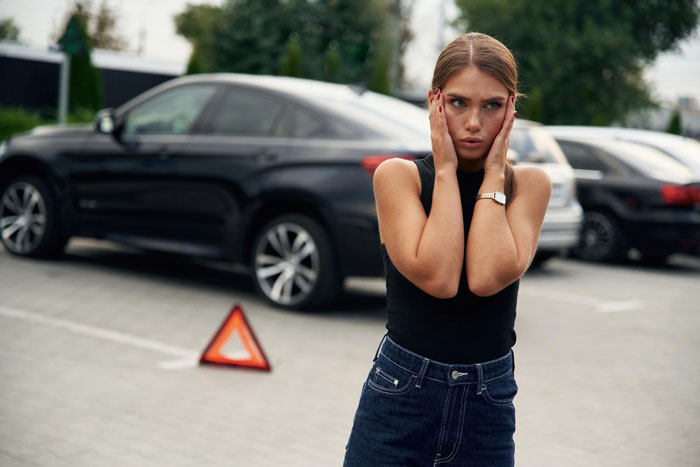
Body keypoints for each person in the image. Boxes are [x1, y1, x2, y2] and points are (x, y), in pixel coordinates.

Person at [343, 33, 552, 467]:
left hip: (487, 404)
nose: (474, 122)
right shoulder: (398, 177)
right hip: (400, 397)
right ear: (435, 102)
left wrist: (494, 172)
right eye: (458, 103)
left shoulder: (528, 186)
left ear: (511, 108)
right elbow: (439, 277)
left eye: (492, 105)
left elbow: (484, 276)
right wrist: (445, 171)